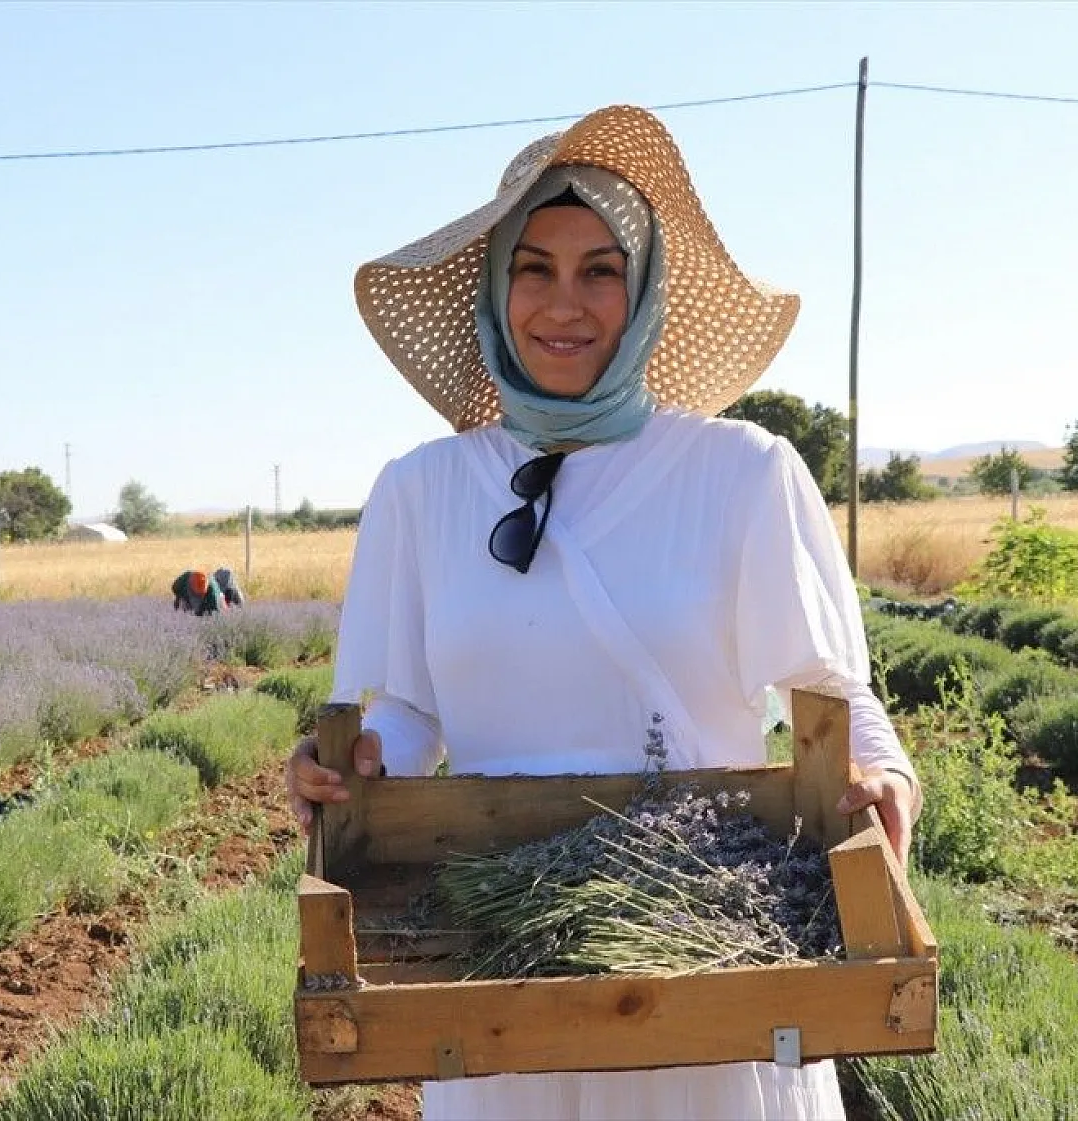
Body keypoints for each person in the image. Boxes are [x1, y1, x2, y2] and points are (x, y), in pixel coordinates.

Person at [287, 104, 922, 1121]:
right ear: (495, 294)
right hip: (497, 967)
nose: (562, 303)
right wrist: (348, 771)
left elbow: (831, 695)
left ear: (645, 291)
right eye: (532, 268)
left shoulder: (738, 471)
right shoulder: (424, 488)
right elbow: (402, 713)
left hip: (712, 948)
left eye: (600, 270)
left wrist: (884, 778)